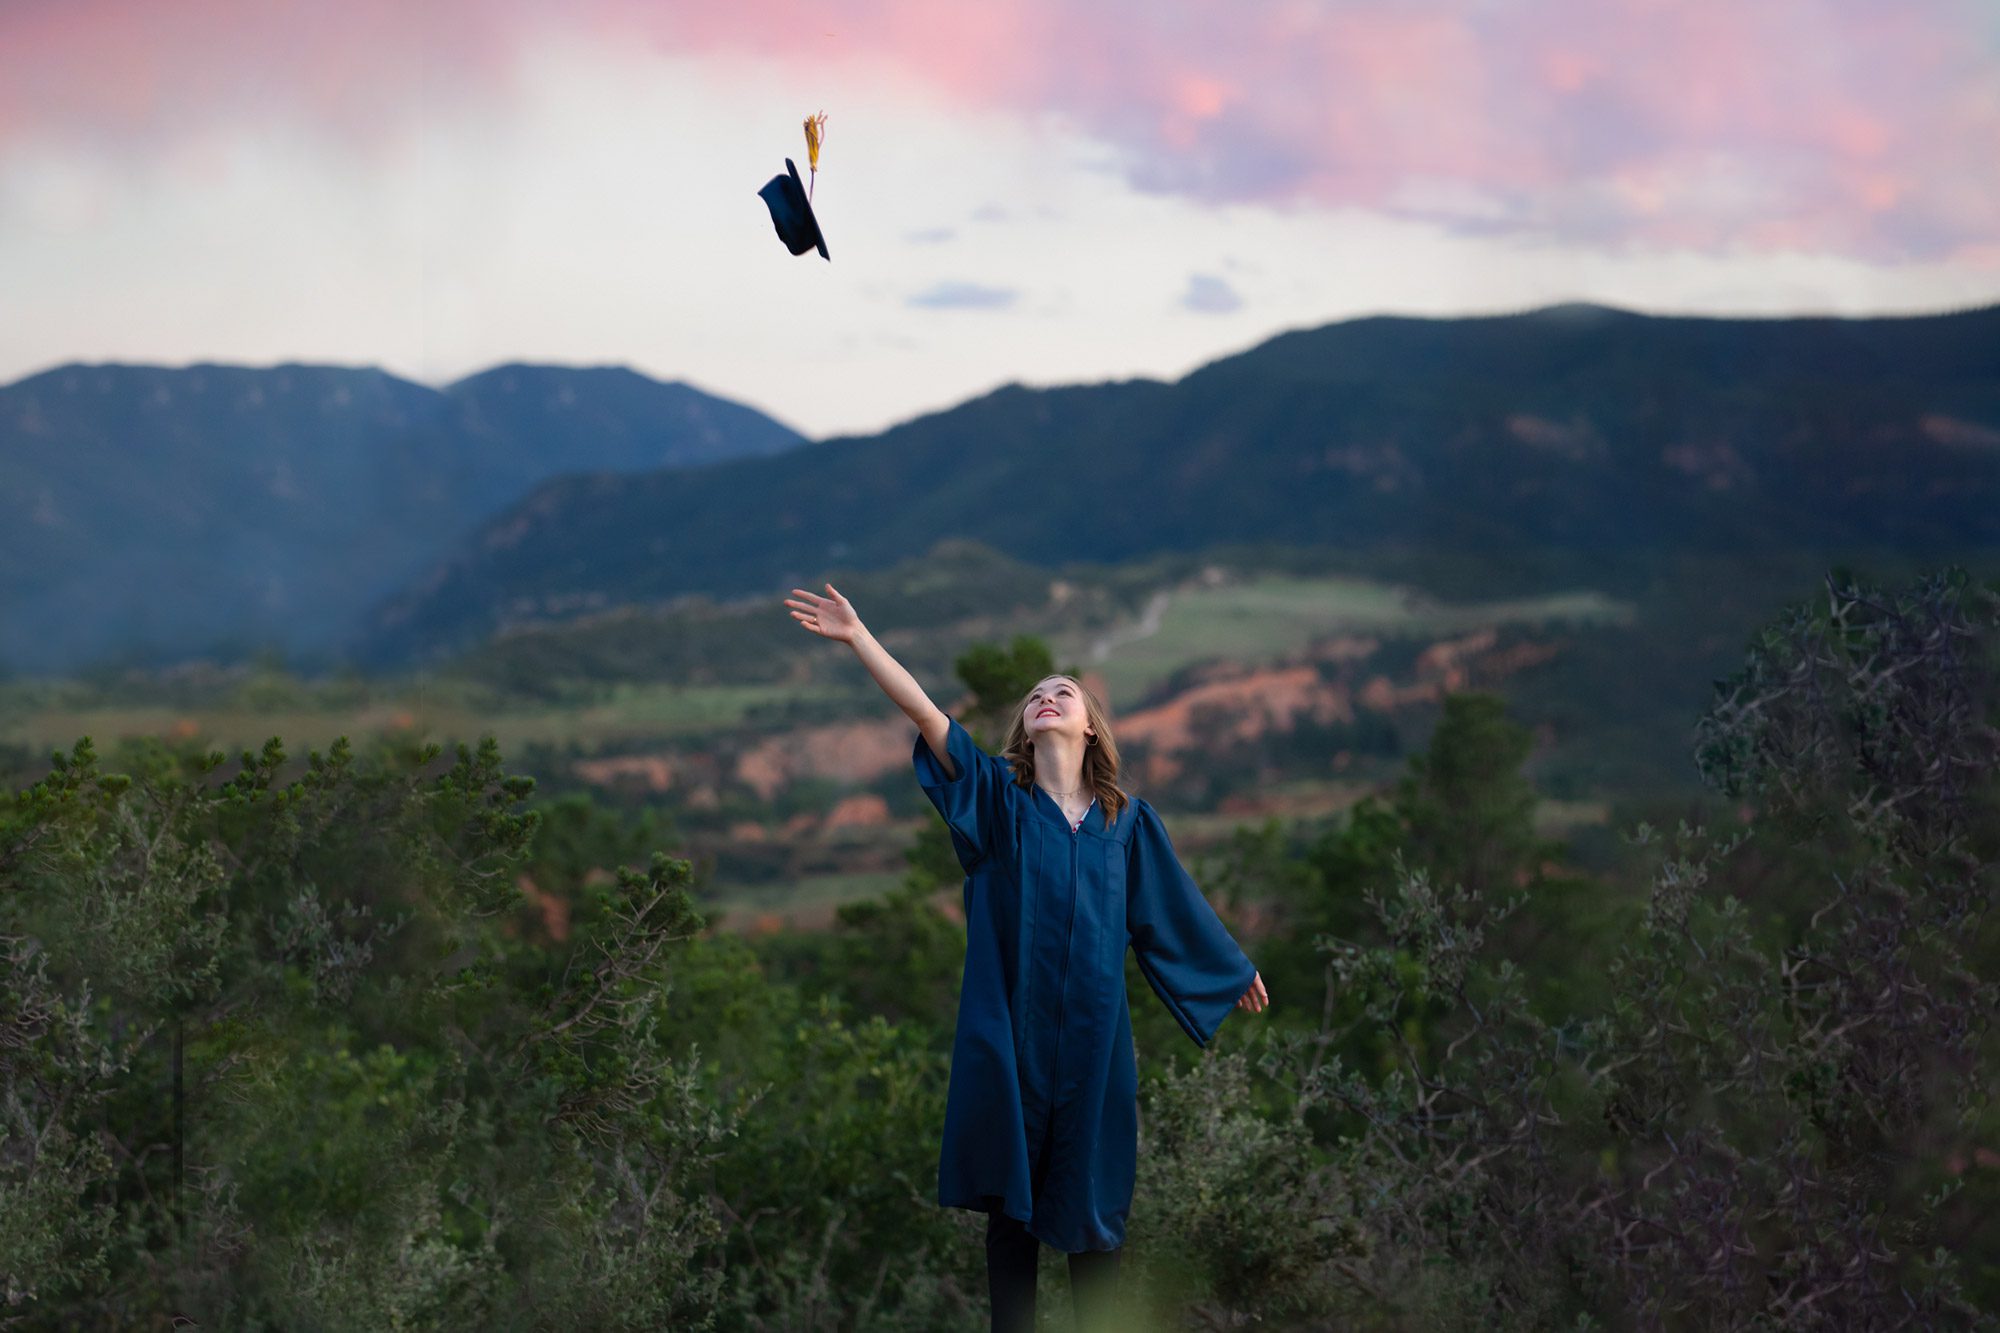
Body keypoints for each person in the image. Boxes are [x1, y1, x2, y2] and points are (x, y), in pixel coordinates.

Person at [784, 582, 1270, 1333]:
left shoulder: (1127, 825)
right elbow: (924, 712)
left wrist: (1229, 970)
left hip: (1094, 1049)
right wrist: (859, 637)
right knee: (1011, 1218)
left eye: (1064, 691)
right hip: (1011, 1041)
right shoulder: (995, 806)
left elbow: (1173, 908)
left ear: (1089, 726)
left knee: (1093, 1210)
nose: (1048, 696)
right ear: (1024, 728)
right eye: (1037, 693)